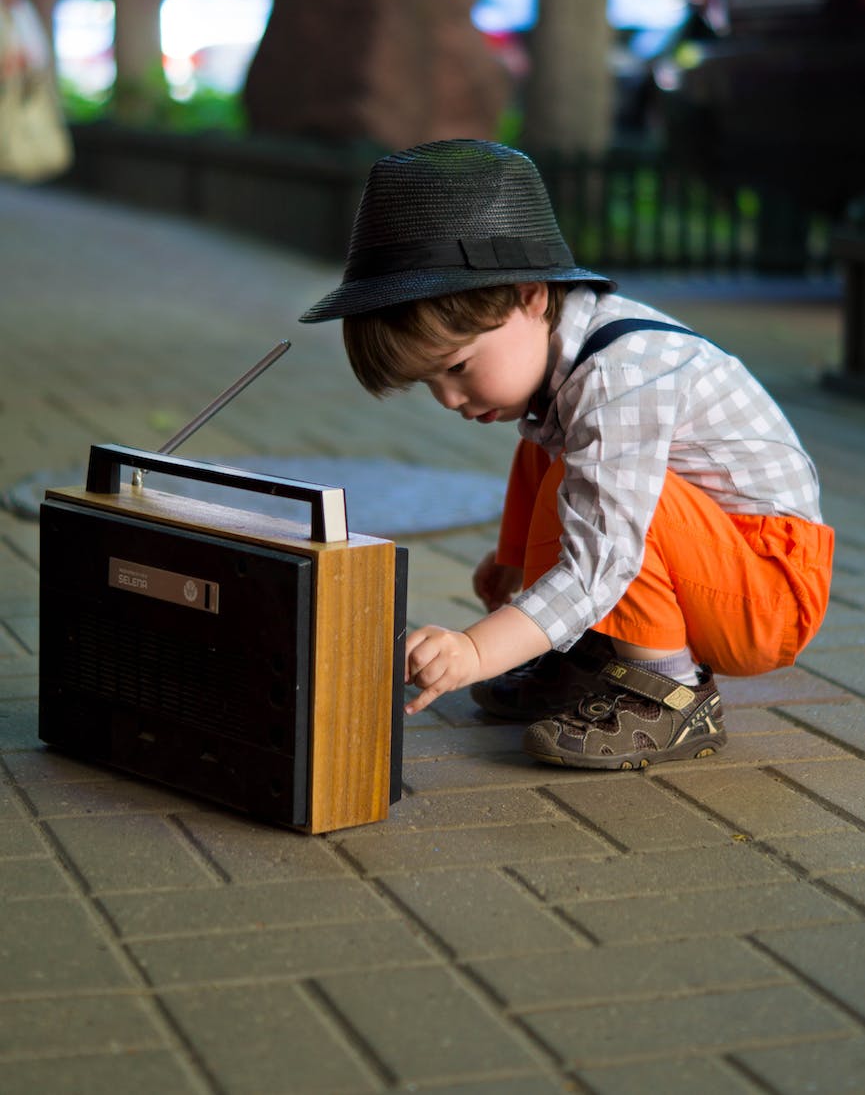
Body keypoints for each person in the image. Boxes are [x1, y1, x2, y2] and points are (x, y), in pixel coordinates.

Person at [300, 139, 834, 770]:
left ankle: (671, 692)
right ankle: (590, 657)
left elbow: (604, 555)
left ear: (529, 296)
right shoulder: (569, 362)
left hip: (769, 593)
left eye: (458, 366)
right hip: (720, 562)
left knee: (621, 494)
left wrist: (477, 650)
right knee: (552, 455)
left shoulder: (618, 381)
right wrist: (517, 573)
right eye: (428, 383)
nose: (447, 399)